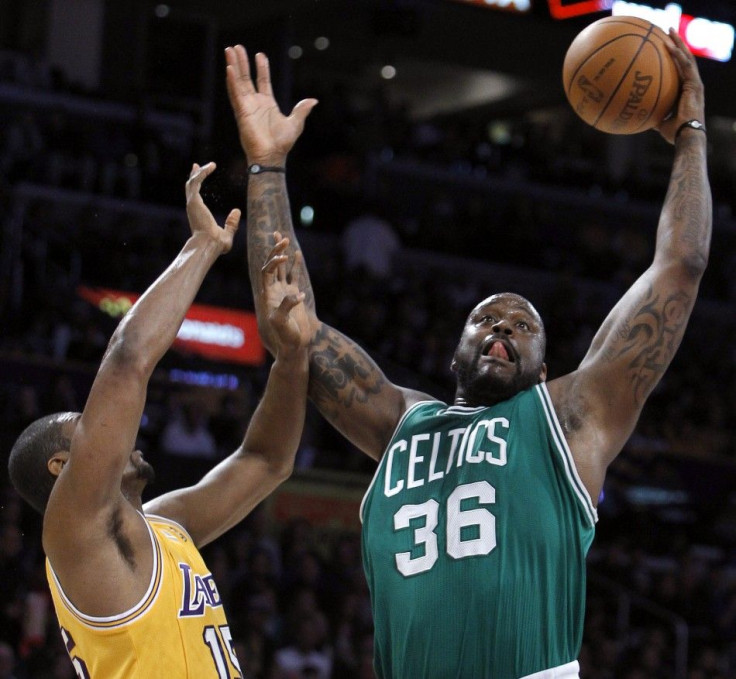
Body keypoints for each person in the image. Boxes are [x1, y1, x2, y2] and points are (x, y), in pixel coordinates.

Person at [224, 28, 711, 679]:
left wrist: (692, 134)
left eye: (522, 324)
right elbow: (291, 321)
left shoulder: (567, 419)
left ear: (543, 368)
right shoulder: (401, 421)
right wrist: (267, 168)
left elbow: (680, 266)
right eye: (485, 317)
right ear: (453, 353)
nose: (501, 326)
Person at [7, 161, 311, 678]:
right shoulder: (73, 531)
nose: (115, 423)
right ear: (62, 466)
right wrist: (202, 245)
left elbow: (266, 461)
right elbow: (127, 362)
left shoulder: (164, 527)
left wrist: (292, 357)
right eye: (88, 421)